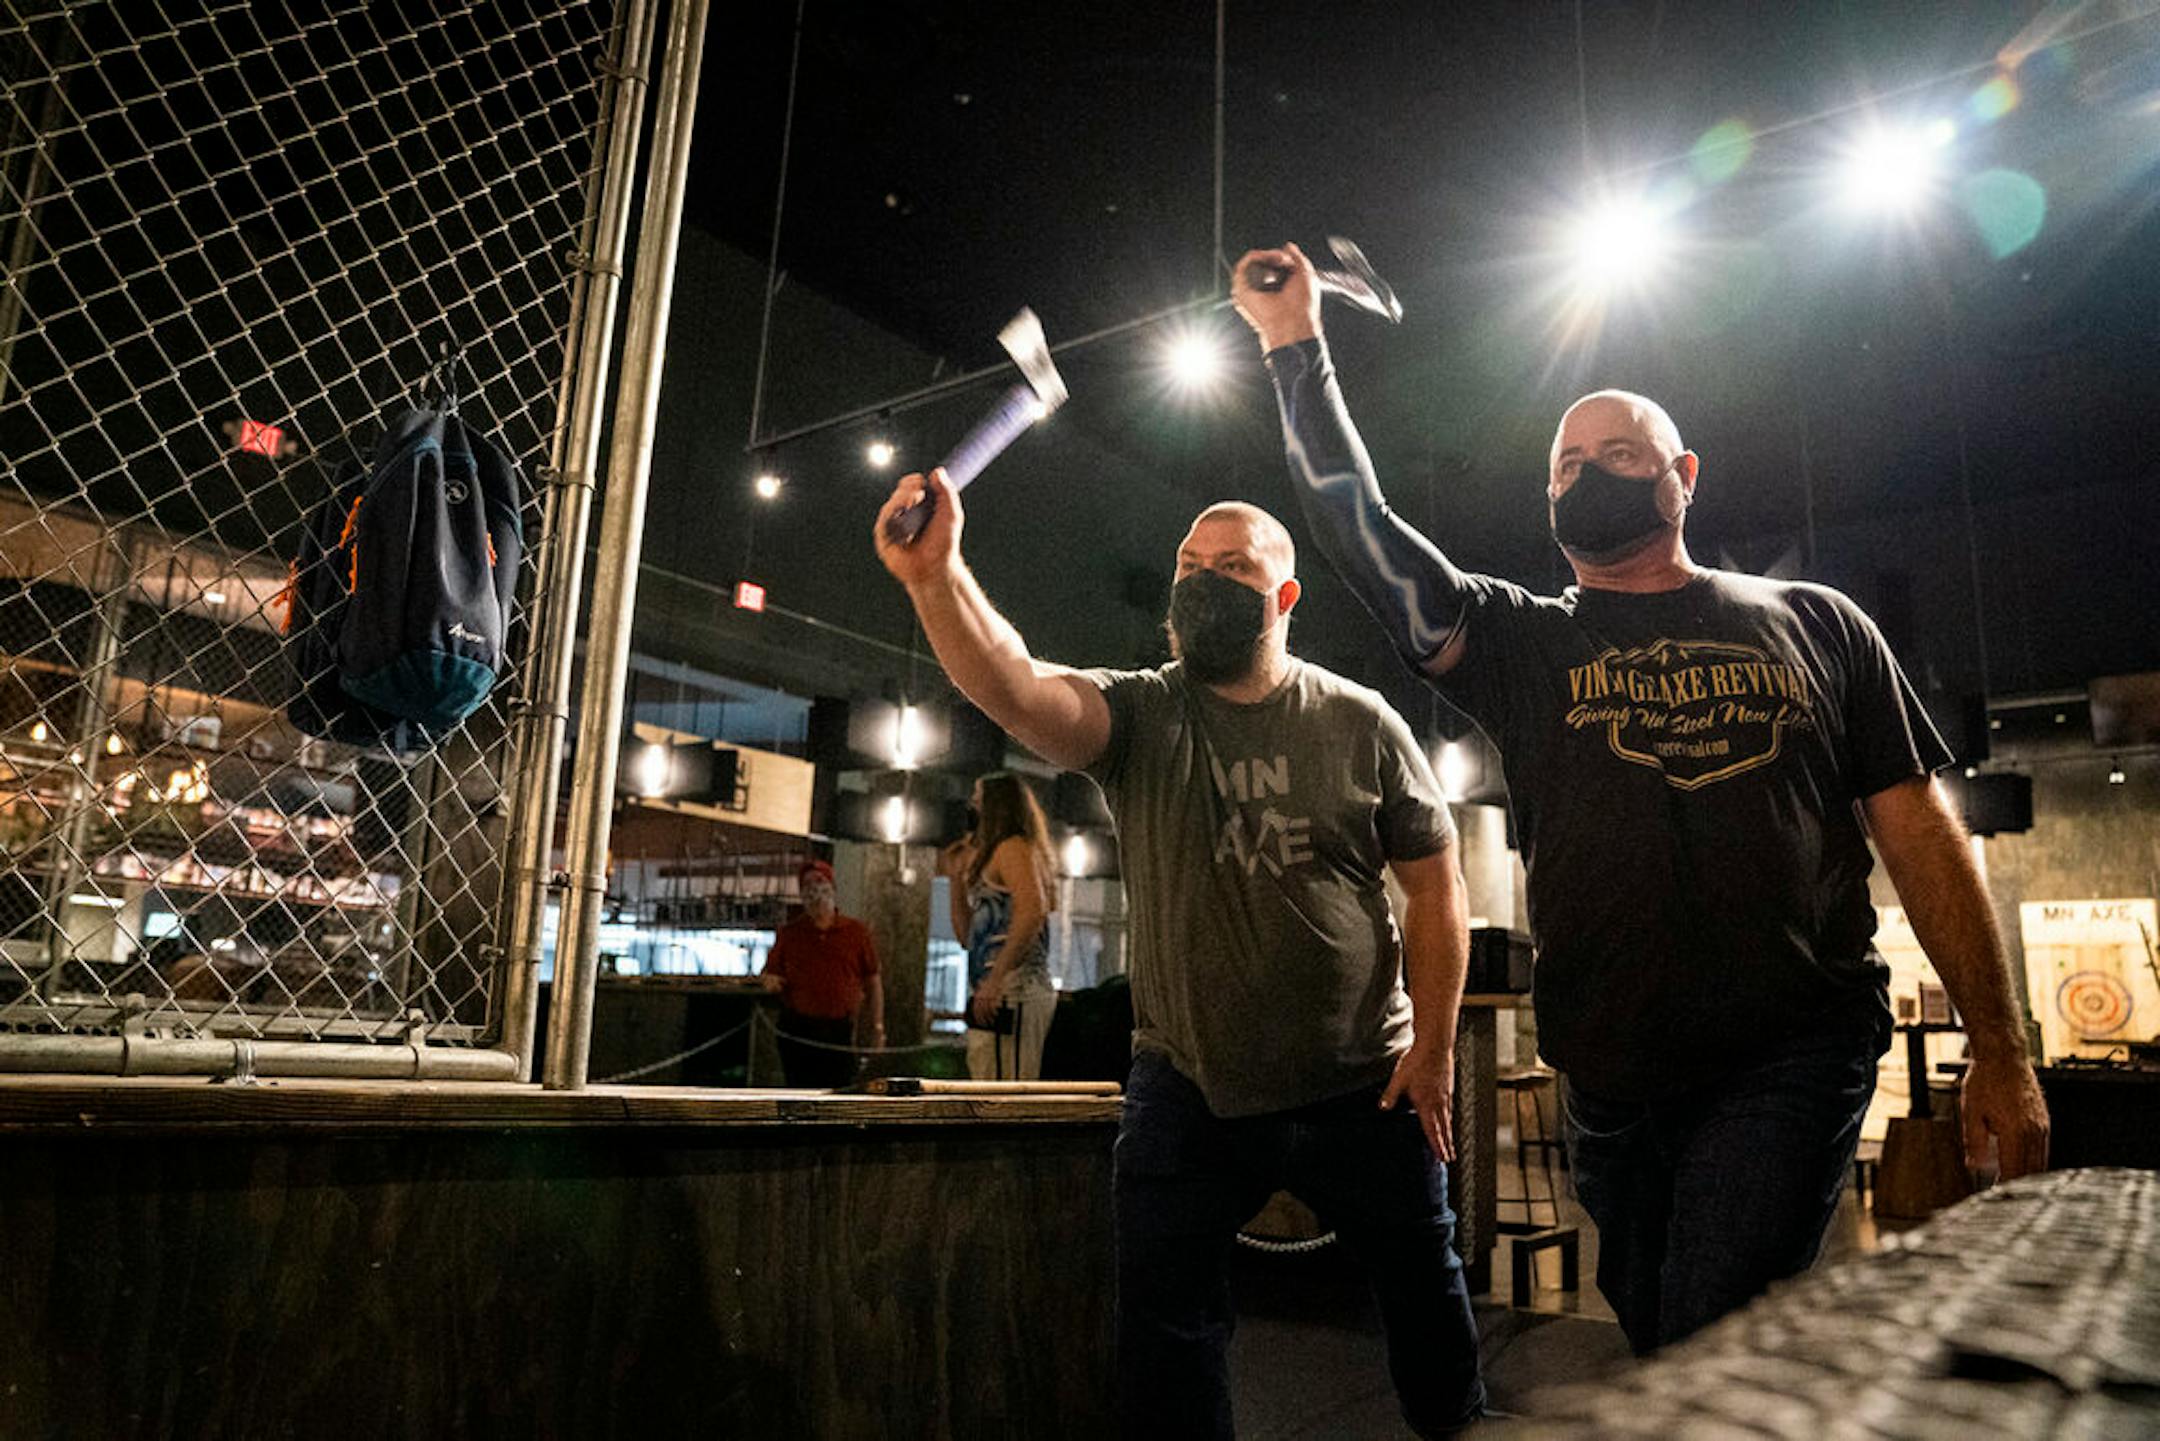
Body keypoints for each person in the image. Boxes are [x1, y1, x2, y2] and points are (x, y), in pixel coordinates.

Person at [1230, 242, 2051, 1353]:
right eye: (1568, 462)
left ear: (1686, 476)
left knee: (1709, 1322)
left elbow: (1916, 830)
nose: (1589, 470)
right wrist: (1294, 347)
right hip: (1608, 1077)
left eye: (1621, 452)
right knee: (1665, 1333)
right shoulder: (1521, 640)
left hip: (1790, 1051)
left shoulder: (1817, 622)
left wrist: (1998, 1043)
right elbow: (1359, 529)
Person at [874, 478, 1487, 1437]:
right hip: (1191, 1087)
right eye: (1189, 567)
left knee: (1425, 1295)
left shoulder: (1361, 722)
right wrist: (936, 577)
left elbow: (1439, 888)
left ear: (1284, 597)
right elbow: (1018, 684)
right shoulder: (1144, 717)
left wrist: (1436, 1047)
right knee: (1167, 1335)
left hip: (1365, 1082)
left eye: (1233, 568)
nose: (1204, 582)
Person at [939, 771, 1060, 1081]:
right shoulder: (994, 854)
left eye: (979, 800)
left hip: (1014, 988)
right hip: (994, 988)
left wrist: (996, 978)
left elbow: (1032, 910)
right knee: (988, 1077)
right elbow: (968, 938)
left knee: (1006, 1087)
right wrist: (955, 880)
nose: (973, 807)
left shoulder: (1013, 848)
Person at [758, 860, 883, 1088]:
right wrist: (769, 981)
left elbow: (873, 981)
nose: (815, 891)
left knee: (840, 1091)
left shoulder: (856, 932)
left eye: (820, 882)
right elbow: (770, 973)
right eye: (808, 885)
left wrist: (876, 1026)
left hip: (840, 1029)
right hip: (798, 1028)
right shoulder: (790, 934)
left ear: (832, 888)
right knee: (799, 1092)